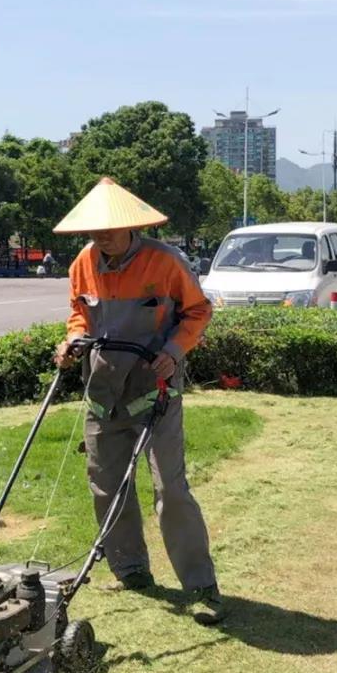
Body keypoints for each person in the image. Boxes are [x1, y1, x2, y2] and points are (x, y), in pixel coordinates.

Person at [51, 176, 226, 626]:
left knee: (170, 487)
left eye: (109, 229)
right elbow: (79, 313)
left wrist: (174, 351)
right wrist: (72, 341)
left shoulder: (165, 262)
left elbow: (199, 310)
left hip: (154, 386)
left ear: (131, 225)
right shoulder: (83, 263)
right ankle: (131, 571)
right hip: (103, 390)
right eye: (94, 230)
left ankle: (200, 584)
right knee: (107, 485)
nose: (101, 237)